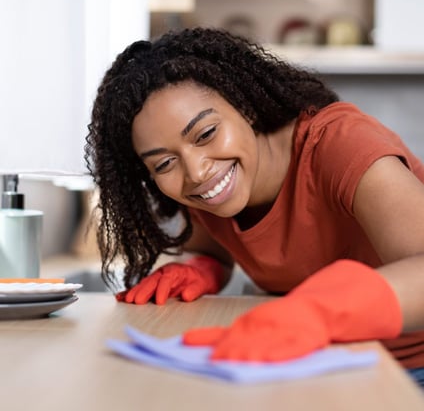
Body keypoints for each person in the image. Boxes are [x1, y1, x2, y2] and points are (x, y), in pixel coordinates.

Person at [85, 27, 424, 387]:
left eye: (205, 134)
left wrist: (321, 311)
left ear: (243, 105)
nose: (197, 171)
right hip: (321, 365)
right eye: (164, 163)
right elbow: (213, 249)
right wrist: (199, 268)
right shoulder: (202, 189)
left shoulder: (339, 144)